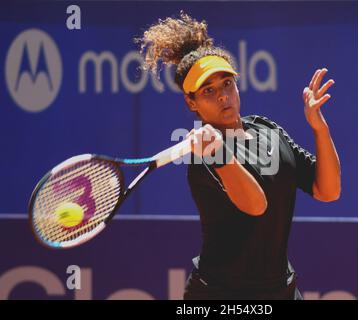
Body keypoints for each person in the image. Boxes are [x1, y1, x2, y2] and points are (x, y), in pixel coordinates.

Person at [139, 12, 341, 300]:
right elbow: (256, 205)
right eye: (208, 90)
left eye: (227, 83)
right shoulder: (201, 158)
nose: (223, 95)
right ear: (191, 102)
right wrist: (217, 151)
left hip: (281, 291)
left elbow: (328, 190)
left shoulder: (267, 129)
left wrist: (320, 129)